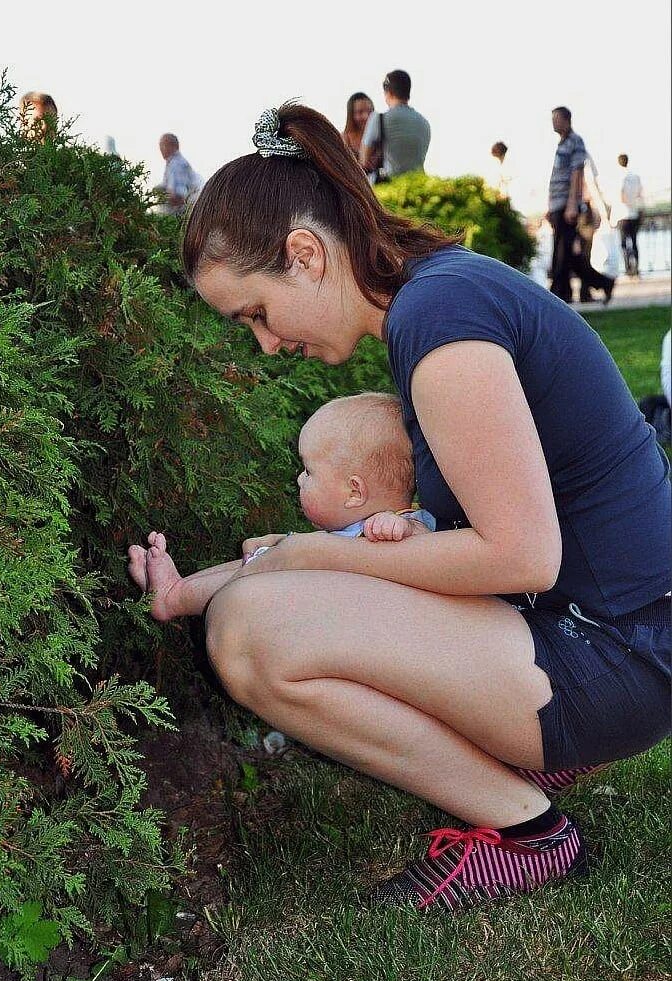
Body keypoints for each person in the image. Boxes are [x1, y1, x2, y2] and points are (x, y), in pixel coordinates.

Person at [137, 102, 670, 915]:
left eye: (256, 314)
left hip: (619, 655)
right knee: (276, 595)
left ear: (305, 255)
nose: (266, 344)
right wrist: (305, 560)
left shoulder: (438, 316)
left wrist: (312, 557)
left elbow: (522, 557)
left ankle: (528, 832)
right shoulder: (436, 297)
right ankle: (524, 766)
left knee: (249, 634)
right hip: (611, 635)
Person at [128, 392, 435, 620]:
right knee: (257, 559)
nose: (300, 480)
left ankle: (174, 598)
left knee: (259, 569)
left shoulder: (406, 522)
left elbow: (426, 551)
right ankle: (178, 584)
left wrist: (400, 527)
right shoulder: (349, 531)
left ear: (354, 492)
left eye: (309, 472)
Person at [546, 107, 615, 304]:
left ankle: (559, 292)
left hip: (567, 206)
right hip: (557, 205)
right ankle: (599, 284)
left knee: (562, 252)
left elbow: (577, 174)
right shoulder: (562, 144)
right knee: (566, 254)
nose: (554, 123)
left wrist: (571, 205)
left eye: (556, 119)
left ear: (567, 120)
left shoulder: (575, 142)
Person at [359, 70, 430, 182]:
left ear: (389, 93)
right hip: (417, 185)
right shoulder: (424, 122)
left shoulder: (378, 118)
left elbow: (363, 160)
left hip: (388, 186)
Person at [610, 154, 645, 276]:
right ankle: (636, 268)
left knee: (624, 243)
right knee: (634, 241)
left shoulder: (619, 177)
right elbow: (640, 193)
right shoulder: (636, 177)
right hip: (634, 214)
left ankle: (628, 268)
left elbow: (621, 195)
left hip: (622, 214)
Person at [157, 133, 203, 215]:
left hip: (182, 213)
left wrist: (162, 196)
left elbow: (180, 195)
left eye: (163, 145)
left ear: (174, 146)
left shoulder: (176, 164)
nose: (160, 149)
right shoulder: (174, 163)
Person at [341, 92, 375, 167]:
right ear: (351, 114)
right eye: (360, 112)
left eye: (369, 111)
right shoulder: (344, 139)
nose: (366, 116)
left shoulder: (380, 135)